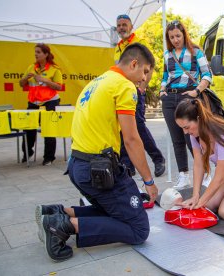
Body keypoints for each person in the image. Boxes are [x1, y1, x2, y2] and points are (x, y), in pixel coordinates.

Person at [36, 43, 158, 262]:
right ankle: (62, 226)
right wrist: (149, 181)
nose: (144, 79)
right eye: (145, 72)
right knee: (139, 229)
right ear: (133, 64)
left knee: (115, 209)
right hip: (98, 171)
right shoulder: (124, 86)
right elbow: (131, 139)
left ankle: (59, 212)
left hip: (78, 166)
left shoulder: (98, 81)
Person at [160, 20, 212, 189]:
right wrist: (162, 90)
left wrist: (196, 92)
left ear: (184, 35)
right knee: (177, 139)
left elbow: (207, 75)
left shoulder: (195, 51)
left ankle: (205, 172)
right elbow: (165, 76)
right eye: (172, 37)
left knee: (193, 137)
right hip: (170, 98)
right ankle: (183, 176)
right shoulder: (167, 54)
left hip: (188, 95)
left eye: (178, 36)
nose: (175, 39)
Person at [115, 14, 165, 177]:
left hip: (135, 91)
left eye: (124, 24)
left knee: (139, 126)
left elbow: (149, 67)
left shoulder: (140, 43)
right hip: (121, 91)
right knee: (123, 128)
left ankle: (158, 159)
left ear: (131, 26)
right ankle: (128, 165)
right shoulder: (118, 47)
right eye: (119, 25)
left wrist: (142, 87)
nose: (121, 27)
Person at [19, 43, 63, 166]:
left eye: (38, 52)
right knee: (28, 128)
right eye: (35, 52)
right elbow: (21, 84)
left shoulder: (55, 69)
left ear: (46, 54)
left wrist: (44, 80)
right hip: (33, 102)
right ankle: (27, 153)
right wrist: (24, 79)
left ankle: (49, 157)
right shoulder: (31, 67)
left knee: (48, 129)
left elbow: (59, 86)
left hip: (50, 101)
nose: (36, 54)